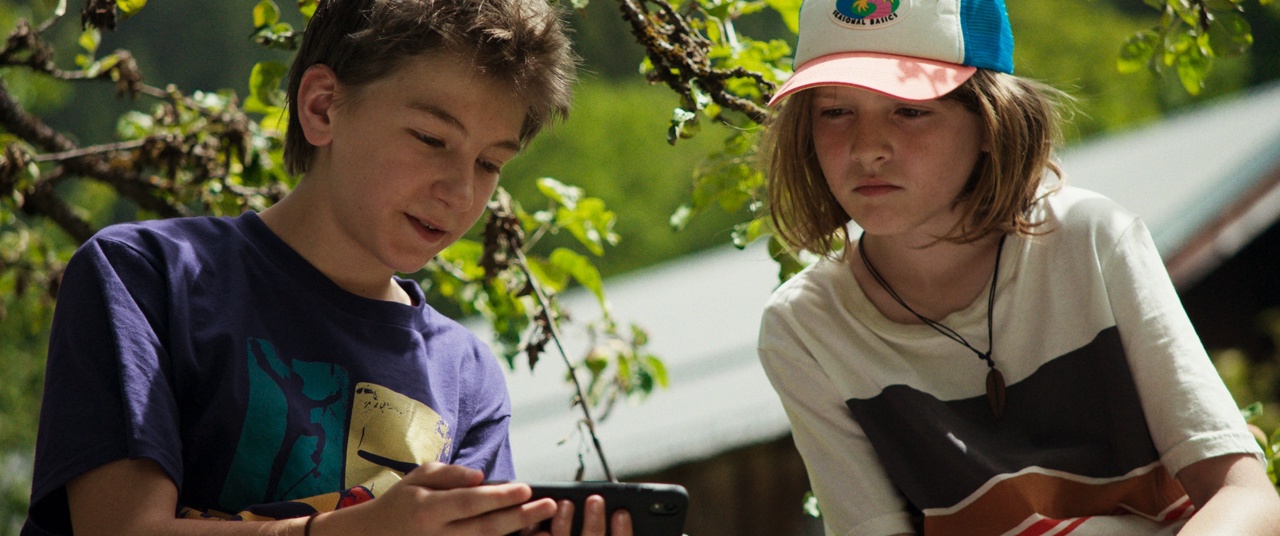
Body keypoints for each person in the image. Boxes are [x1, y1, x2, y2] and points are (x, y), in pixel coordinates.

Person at [23, 0, 632, 535]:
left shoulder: (467, 378)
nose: (460, 192)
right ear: (322, 108)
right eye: (430, 138)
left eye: (490, 163)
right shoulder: (147, 277)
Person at [755, 0, 1280, 534]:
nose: (867, 148)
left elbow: (1246, 499)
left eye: (910, 109)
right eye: (835, 112)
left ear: (991, 120)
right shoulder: (803, 328)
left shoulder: (1090, 241)